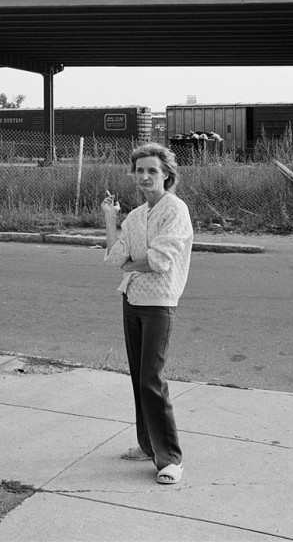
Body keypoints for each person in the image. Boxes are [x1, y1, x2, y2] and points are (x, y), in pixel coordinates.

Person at [100, 143, 193, 485]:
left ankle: (170, 458)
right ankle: (147, 444)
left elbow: (159, 260)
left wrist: (130, 264)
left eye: (152, 170)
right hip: (132, 301)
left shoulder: (175, 210)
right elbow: (115, 256)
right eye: (139, 170)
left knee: (152, 379)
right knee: (139, 378)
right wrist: (110, 218)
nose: (144, 176)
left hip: (159, 305)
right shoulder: (137, 216)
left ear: (167, 174)